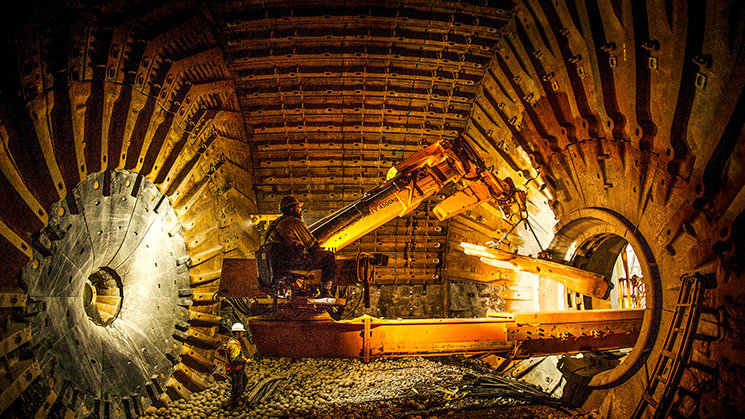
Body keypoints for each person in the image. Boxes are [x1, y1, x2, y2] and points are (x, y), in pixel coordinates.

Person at [265, 195, 336, 298]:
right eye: (298, 208)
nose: (300, 211)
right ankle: (326, 291)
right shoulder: (294, 222)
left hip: (276, 264)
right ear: (291, 209)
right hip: (293, 262)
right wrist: (318, 251)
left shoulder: (273, 224)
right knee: (329, 256)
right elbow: (313, 247)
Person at [226, 322, 248, 409]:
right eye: (241, 332)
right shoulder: (234, 345)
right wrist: (246, 361)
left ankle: (235, 400)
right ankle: (234, 405)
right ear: (237, 333)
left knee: (244, 381)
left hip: (238, 369)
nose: (243, 334)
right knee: (237, 387)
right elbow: (235, 360)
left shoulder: (234, 342)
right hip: (235, 369)